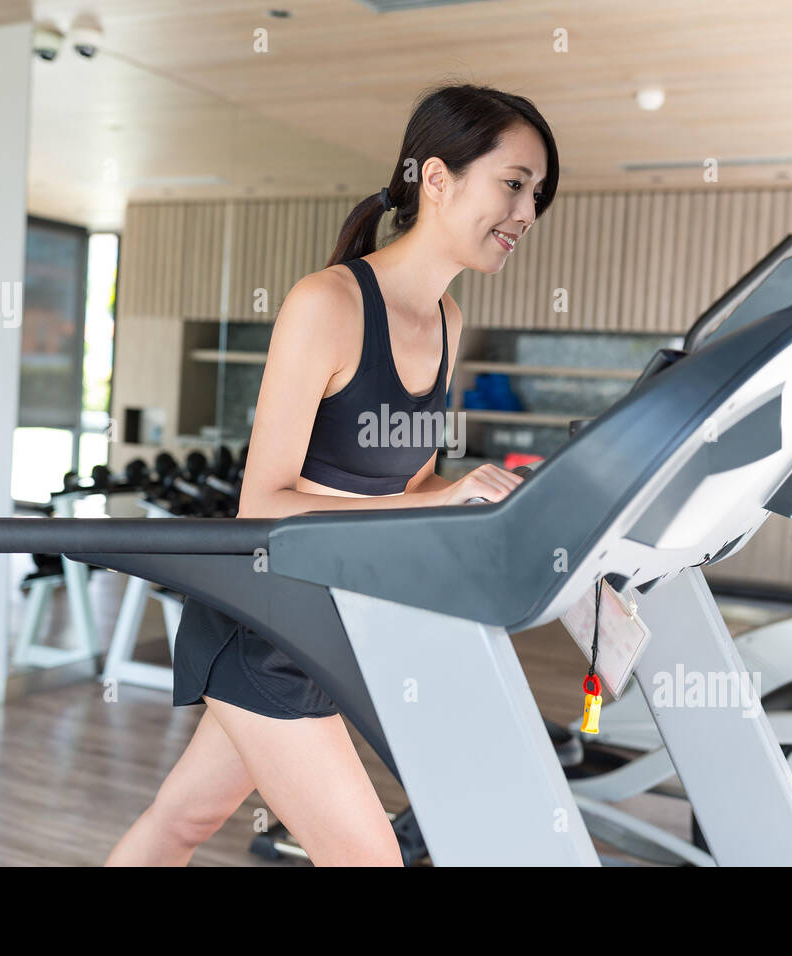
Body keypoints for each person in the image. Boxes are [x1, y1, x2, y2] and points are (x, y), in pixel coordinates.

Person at [105, 82, 560, 867]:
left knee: (179, 821)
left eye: (538, 194)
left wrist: (483, 505)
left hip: (339, 625)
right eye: (513, 184)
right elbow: (262, 504)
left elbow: (412, 491)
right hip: (265, 621)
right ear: (438, 178)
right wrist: (443, 498)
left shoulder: (449, 321)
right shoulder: (327, 305)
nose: (526, 213)